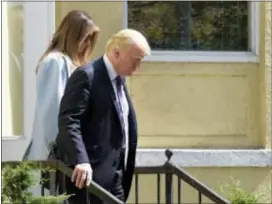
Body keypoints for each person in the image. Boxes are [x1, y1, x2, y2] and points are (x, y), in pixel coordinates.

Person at [56, 28, 151, 203]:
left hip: (116, 179)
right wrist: (81, 160)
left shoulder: (119, 82)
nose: (138, 67)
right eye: (135, 60)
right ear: (116, 53)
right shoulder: (87, 75)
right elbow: (69, 120)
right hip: (89, 180)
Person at [23, 10, 100, 162]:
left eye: (91, 39)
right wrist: (66, 151)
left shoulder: (67, 63)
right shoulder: (55, 62)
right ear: (72, 36)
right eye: (86, 38)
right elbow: (53, 112)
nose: (88, 44)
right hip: (58, 158)